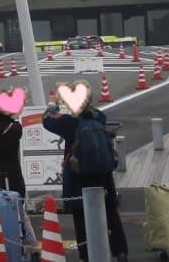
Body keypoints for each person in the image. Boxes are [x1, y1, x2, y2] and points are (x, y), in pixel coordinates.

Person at [43, 92, 128, 262]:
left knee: (81, 218)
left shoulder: (70, 123)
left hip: (79, 178)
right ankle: (120, 252)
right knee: (111, 215)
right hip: (103, 177)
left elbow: (46, 120)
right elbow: (93, 111)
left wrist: (53, 104)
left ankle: (86, 256)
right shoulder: (100, 118)